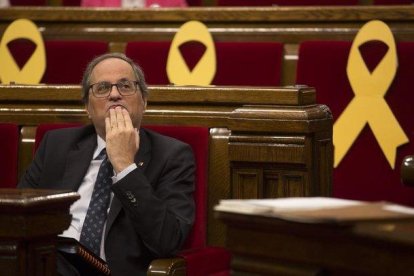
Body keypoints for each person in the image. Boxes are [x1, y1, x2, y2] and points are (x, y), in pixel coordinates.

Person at [18, 52, 195, 276]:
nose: (114, 94)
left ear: (144, 101)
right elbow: (18, 219)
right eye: (102, 88)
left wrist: (124, 165)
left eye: (125, 86)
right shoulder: (56, 145)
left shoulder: (172, 155)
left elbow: (167, 240)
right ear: (87, 108)